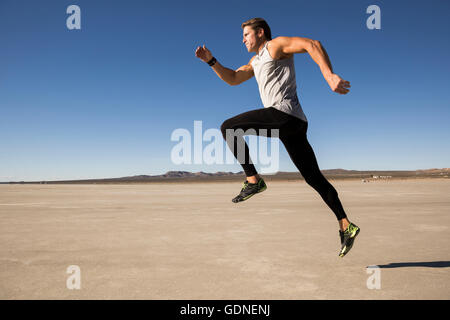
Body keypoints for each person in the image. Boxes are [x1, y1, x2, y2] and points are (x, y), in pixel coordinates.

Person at [195, 18, 360, 257]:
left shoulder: (275, 46)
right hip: (294, 125)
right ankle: (346, 224)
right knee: (314, 178)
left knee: (228, 127)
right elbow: (232, 78)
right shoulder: (256, 60)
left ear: (260, 33)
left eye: (246, 35)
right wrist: (211, 61)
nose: (243, 39)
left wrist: (329, 75)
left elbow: (312, 44)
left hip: (283, 115)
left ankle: (253, 181)